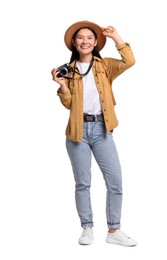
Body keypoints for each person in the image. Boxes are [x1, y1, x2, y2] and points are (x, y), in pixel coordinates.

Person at [51, 20, 137, 247]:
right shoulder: (68, 71)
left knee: (115, 181)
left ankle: (114, 230)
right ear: (73, 43)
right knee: (83, 183)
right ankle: (87, 228)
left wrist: (116, 36)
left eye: (89, 37)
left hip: (102, 130)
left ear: (96, 42)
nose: (85, 41)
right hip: (77, 132)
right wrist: (62, 86)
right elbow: (68, 104)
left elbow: (130, 61)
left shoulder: (105, 66)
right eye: (80, 38)